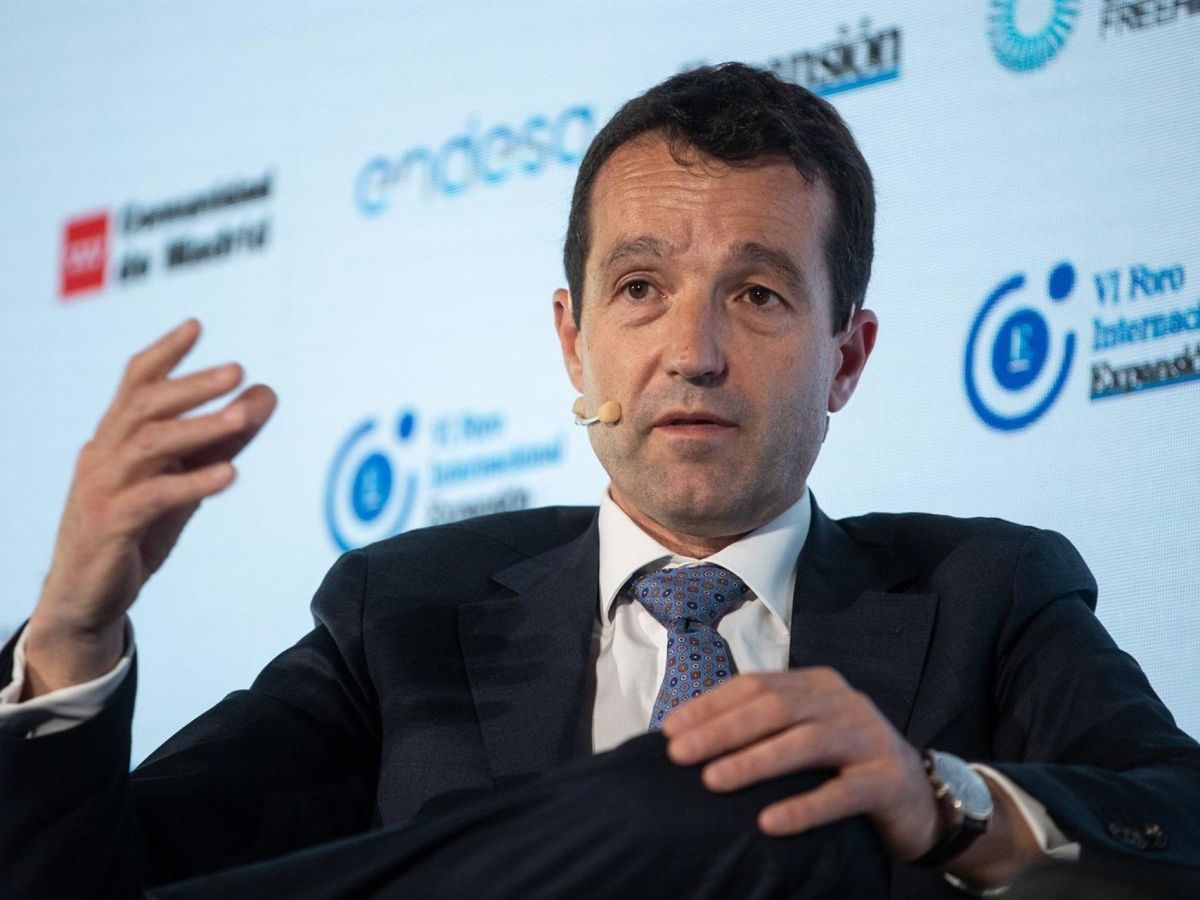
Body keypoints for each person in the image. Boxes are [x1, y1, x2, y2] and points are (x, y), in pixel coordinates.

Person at [2, 63, 1198, 899]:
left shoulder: (987, 594)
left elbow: (1179, 825)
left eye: (758, 294)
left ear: (848, 357)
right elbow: (94, 882)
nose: (693, 352)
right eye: (640, 290)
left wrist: (940, 803)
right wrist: (69, 639)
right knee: (722, 802)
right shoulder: (403, 616)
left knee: (770, 800)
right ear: (574, 342)